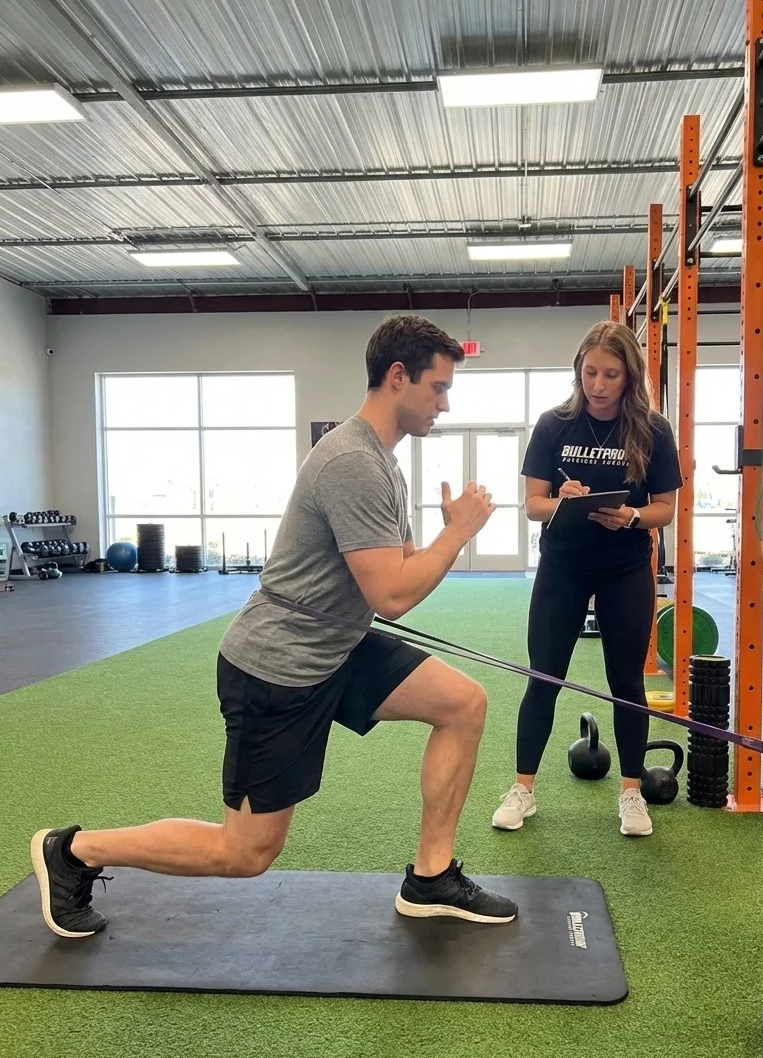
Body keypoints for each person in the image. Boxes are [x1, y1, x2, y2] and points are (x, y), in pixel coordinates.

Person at [32, 314, 519, 939]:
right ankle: (73, 851)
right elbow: (394, 595)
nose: (445, 405)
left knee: (462, 703)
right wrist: (458, 533)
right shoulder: (352, 462)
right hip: (277, 668)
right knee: (246, 853)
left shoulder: (384, 464)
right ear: (398, 377)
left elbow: (398, 570)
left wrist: (444, 537)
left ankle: (431, 879)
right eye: (439, 388)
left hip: (336, 649)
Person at [491, 320, 682, 838]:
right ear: (578, 370)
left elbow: (666, 507)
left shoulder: (654, 430)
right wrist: (564, 501)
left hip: (625, 567)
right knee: (544, 677)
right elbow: (533, 505)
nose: (597, 384)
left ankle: (631, 794)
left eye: (610, 374)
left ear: (629, 377)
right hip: (564, 564)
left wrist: (633, 517)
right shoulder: (555, 424)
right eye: (590, 371)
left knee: (627, 685)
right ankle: (523, 790)